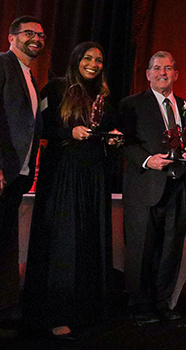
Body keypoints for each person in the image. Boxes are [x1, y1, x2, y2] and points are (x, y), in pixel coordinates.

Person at [22, 41, 118, 339]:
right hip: (63, 174)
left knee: (89, 238)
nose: (94, 64)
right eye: (88, 58)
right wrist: (69, 132)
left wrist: (112, 139)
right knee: (64, 240)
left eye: (99, 60)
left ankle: (87, 311)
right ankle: (54, 313)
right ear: (76, 60)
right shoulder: (55, 88)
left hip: (93, 176)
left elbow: (106, 127)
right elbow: (40, 127)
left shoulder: (103, 94)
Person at [119, 51, 186, 324]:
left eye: (168, 68)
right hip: (146, 187)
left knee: (170, 247)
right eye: (157, 68)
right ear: (148, 74)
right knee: (142, 248)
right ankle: (140, 306)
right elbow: (124, 142)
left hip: (178, 186)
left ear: (176, 74)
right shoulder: (132, 104)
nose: (162, 73)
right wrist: (146, 160)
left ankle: (162, 302)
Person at [0, 16, 44, 336]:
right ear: (12, 37)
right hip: (3, 170)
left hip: (19, 172)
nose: (36, 39)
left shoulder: (30, 76)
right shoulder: (3, 64)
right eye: (29, 33)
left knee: (5, 243)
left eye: (41, 35)